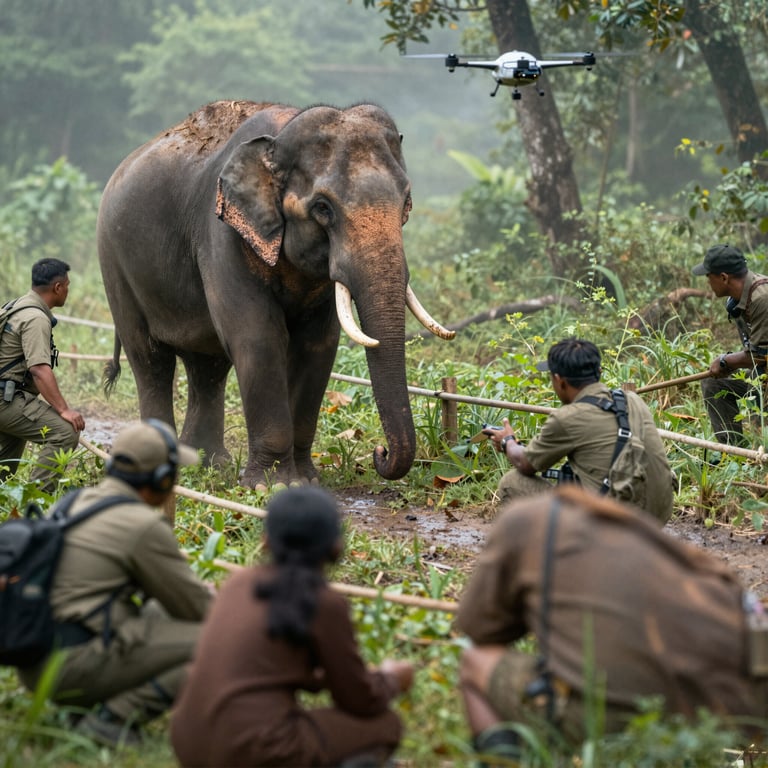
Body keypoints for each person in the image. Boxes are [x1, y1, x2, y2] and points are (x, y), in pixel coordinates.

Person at [456, 484, 768, 764]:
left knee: (474, 664)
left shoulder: (523, 523)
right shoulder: (644, 536)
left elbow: (481, 633)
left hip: (632, 711)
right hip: (734, 703)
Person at [171, 485, 414, 768]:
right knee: (386, 725)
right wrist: (391, 679)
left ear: (265, 541)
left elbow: (270, 667)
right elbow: (359, 701)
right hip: (252, 750)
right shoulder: (324, 603)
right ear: (336, 546)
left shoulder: (238, 583)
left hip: (187, 743)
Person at [17, 419, 213, 748]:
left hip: (35, 659)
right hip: (67, 667)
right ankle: (113, 719)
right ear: (162, 479)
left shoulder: (75, 501)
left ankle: (82, 706)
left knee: (155, 611)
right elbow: (201, 611)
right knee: (218, 641)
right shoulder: (142, 525)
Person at [485, 337, 674, 524]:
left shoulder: (567, 418)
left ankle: (562, 549)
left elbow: (524, 463)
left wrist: (507, 440)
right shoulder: (632, 400)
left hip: (617, 522)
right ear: (599, 372)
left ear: (559, 380)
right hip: (657, 517)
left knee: (512, 483)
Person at [0, 258, 85, 492]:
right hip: (6, 401)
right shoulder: (36, 318)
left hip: (8, 397)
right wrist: (64, 410)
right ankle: (33, 505)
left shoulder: (16, 305)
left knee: (4, 467)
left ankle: (7, 507)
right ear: (58, 288)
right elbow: (38, 369)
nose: (68, 290)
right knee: (64, 433)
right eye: (67, 285)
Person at [692, 244, 768, 446]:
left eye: (709, 277)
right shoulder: (737, 301)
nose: (708, 282)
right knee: (714, 383)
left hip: (764, 368)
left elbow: (761, 355)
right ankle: (734, 453)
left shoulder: (762, 298)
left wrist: (725, 361)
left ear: (724, 277)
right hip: (762, 373)